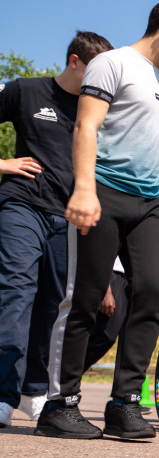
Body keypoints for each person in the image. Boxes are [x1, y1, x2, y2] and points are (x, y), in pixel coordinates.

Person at [38, 0, 159, 440]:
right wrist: (82, 188)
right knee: (85, 299)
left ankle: (124, 404)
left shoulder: (156, 80)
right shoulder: (111, 63)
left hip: (150, 201)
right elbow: (86, 127)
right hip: (104, 192)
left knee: (153, 294)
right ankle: (61, 404)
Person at [0, 31, 113, 429]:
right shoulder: (24, 91)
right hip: (22, 205)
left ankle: (34, 390)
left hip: (68, 220)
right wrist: (3, 164)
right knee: (17, 293)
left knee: (55, 308)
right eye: (98, 72)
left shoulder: (98, 112)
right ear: (74, 61)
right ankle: (2, 394)